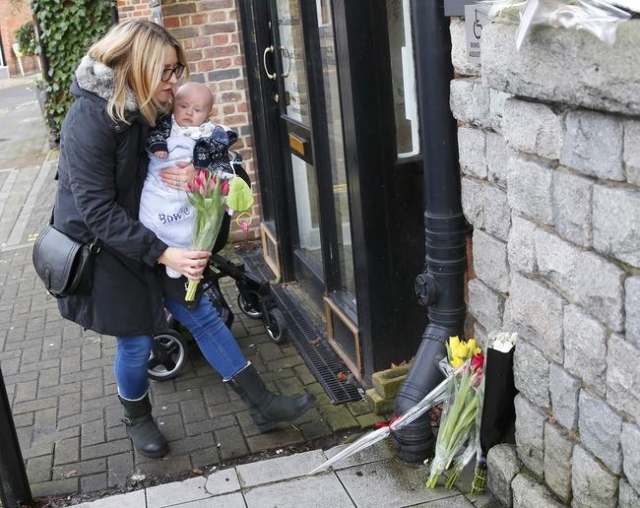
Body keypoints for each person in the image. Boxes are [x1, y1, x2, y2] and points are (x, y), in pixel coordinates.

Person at [52, 19, 315, 459]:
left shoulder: (151, 106)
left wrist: (202, 171)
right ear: (137, 65)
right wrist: (164, 253)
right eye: (166, 71)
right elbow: (96, 211)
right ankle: (137, 417)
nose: (174, 82)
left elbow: (207, 147)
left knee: (203, 315)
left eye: (177, 71)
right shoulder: (90, 119)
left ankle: (262, 406)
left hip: (152, 234)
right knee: (136, 339)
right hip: (108, 246)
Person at [139, 81, 238, 278]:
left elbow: (221, 162)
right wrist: (158, 147)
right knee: (153, 215)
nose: (189, 113)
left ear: (209, 114)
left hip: (188, 193)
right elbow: (152, 138)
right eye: (183, 106)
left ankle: (181, 253)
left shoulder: (211, 134)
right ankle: (166, 251)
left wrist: (202, 169)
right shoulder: (163, 124)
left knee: (190, 222)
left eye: (197, 110)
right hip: (160, 186)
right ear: (173, 105)